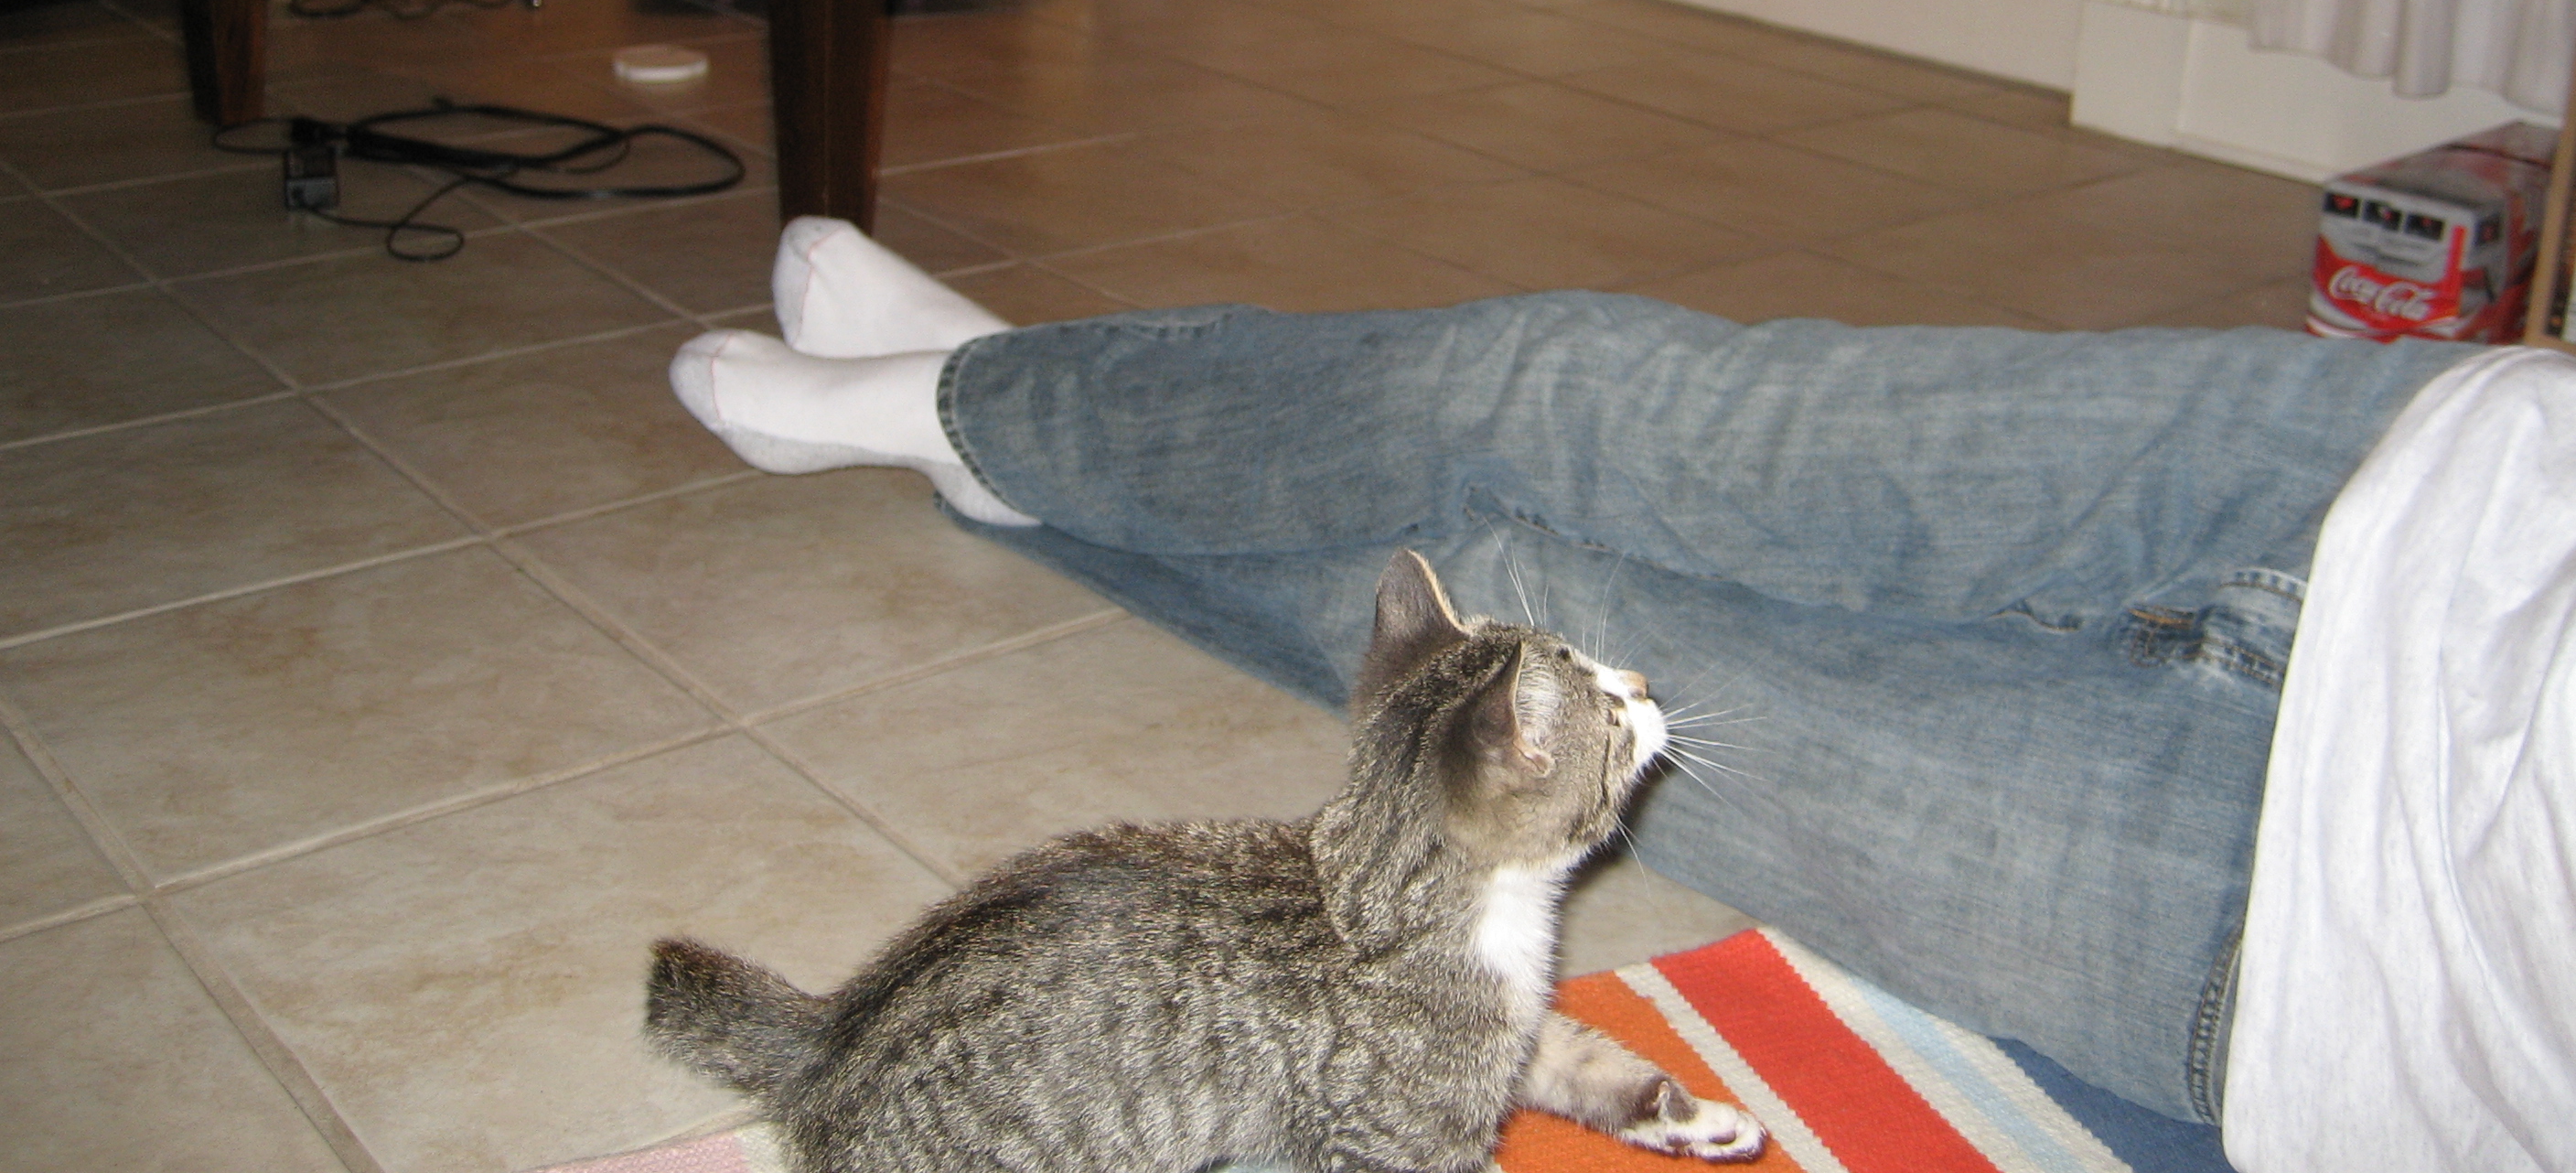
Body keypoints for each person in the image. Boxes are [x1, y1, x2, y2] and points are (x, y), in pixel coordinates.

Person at [668, 219, 2575, 1171]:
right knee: (1551, 384)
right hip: (2472, 494)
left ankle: (1016, 436)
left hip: (2359, 940)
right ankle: (1002, 408)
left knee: (1517, 600)